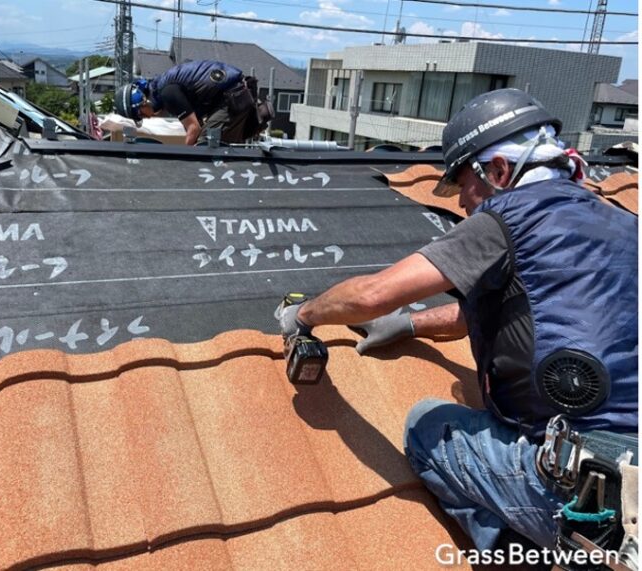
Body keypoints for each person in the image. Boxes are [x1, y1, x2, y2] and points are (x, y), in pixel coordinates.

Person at [277, 88, 638, 553]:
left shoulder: (509, 217)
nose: (464, 201)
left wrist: (303, 313)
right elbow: (501, 313)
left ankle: (509, 543)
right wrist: (407, 326)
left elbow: (370, 295)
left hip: (591, 498)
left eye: (465, 183)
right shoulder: (622, 223)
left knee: (428, 424)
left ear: (500, 171)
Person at [114, 60, 266, 145]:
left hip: (233, 96)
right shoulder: (163, 91)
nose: (145, 118)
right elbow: (194, 125)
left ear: (141, 103)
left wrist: (184, 161)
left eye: (140, 115)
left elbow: (193, 128)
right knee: (219, 145)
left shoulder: (167, 93)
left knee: (207, 143)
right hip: (234, 95)